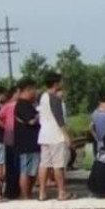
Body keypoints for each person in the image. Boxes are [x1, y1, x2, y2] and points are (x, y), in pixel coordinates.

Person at [37, 72, 71, 201]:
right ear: (56, 83)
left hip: (44, 134)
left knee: (44, 164)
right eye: (61, 82)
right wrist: (66, 136)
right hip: (55, 135)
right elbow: (59, 119)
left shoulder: (43, 97)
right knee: (58, 165)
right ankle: (61, 192)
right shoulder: (54, 98)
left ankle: (42, 192)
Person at [11, 79, 40, 200]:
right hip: (26, 144)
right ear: (27, 90)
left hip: (31, 143)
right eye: (33, 90)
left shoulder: (26, 105)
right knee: (26, 171)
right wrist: (40, 115)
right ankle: (25, 195)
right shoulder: (23, 105)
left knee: (31, 170)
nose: (34, 92)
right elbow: (31, 121)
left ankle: (28, 193)